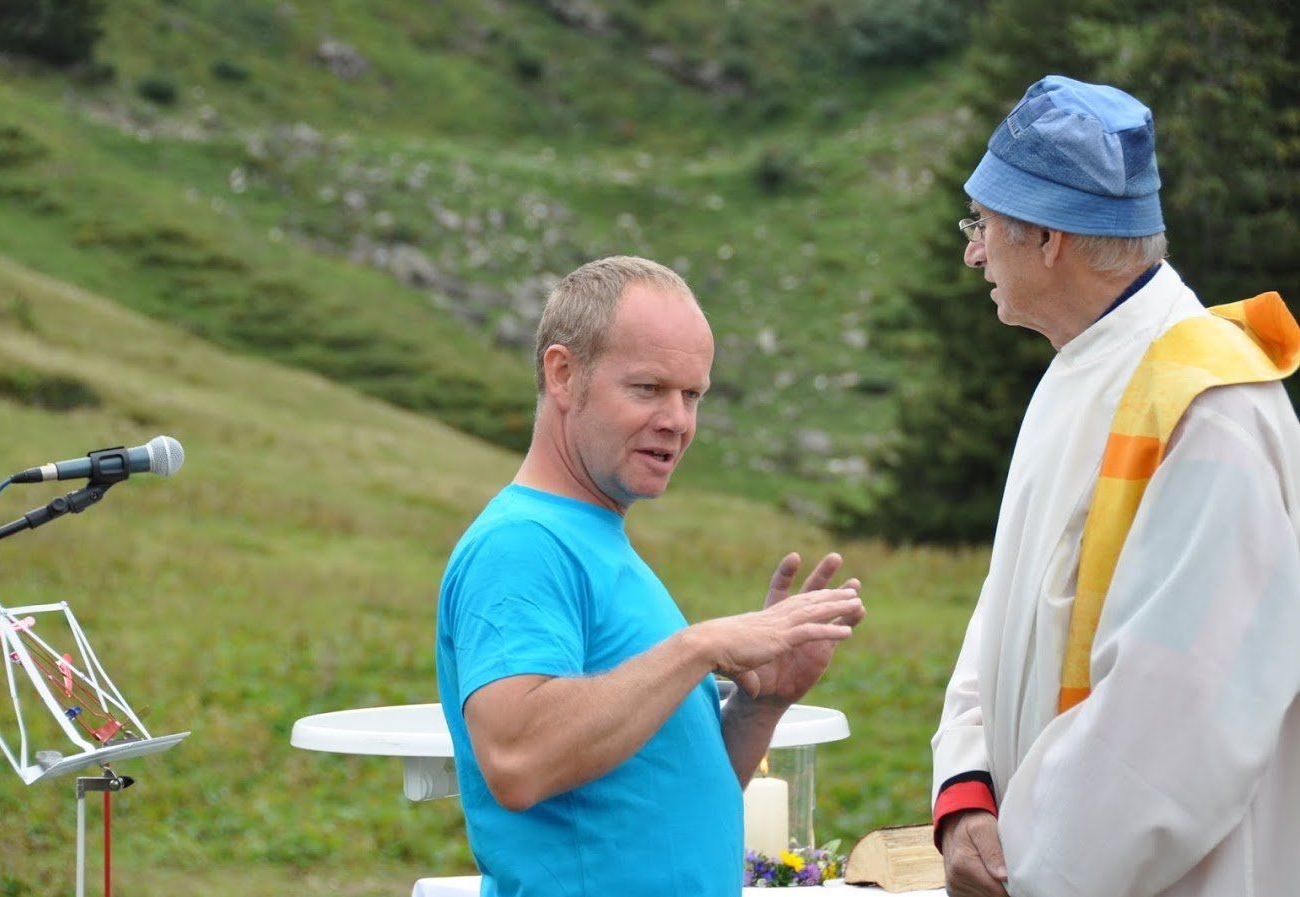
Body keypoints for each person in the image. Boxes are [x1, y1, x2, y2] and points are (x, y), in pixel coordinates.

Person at [931, 75, 1300, 897]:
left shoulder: (1210, 409)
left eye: (982, 224)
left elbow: (1178, 717)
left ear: (1047, 237)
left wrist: (1024, 867)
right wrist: (967, 788)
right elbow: (1011, 607)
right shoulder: (1083, 367)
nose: (973, 252)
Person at [436, 256, 866, 896]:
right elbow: (517, 760)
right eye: (648, 388)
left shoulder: (596, 539)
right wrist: (699, 647)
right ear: (563, 374)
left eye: (692, 395)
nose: (677, 421)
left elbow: (669, 799)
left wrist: (761, 704)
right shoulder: (521, 544)